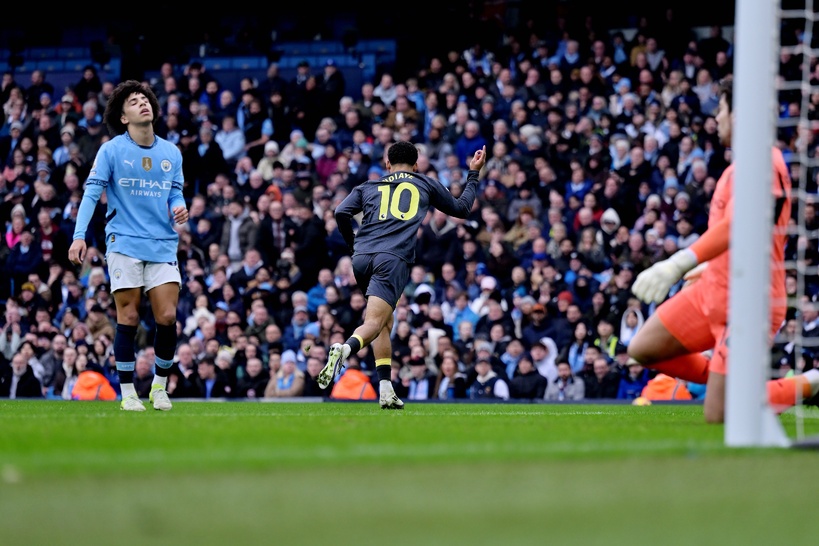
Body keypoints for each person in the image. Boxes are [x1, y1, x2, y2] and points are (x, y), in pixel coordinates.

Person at [628, 81, 819, 422]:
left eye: (721, 110)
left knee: (719, 416)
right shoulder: (736, 168)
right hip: (710, 292)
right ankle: (732, 387)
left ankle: (810, 383)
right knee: (643, 348)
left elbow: (741, 224)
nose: (716, 118)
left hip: (747, 303)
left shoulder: (766, 162)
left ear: (738, 114)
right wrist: (707, 267)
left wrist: (679, 262)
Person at [318, 140, 486, 409]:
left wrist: (353, 245)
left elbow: (341, 212)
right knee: (375, 322)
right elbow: (462, 209)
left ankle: (386, 389)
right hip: (392, 259)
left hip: (361, 259)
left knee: (386, 321)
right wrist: (474, 174)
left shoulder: (368, 186)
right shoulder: (424, 183)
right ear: (416, 165)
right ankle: (345, 349)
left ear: (387, 164)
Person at [68, 80, 189, 412]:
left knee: (167, 316)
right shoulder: (111, 150)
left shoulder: (171, 152)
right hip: (124, 241)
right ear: (123, 118)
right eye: (134, 102)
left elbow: (175, 192)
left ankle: (159, 387)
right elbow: (92, 193)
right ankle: (128, 392)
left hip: (162, 242)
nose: (143, 103)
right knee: (130, 316)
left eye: (145, 99)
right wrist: (79, 235)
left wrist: (179, 206)